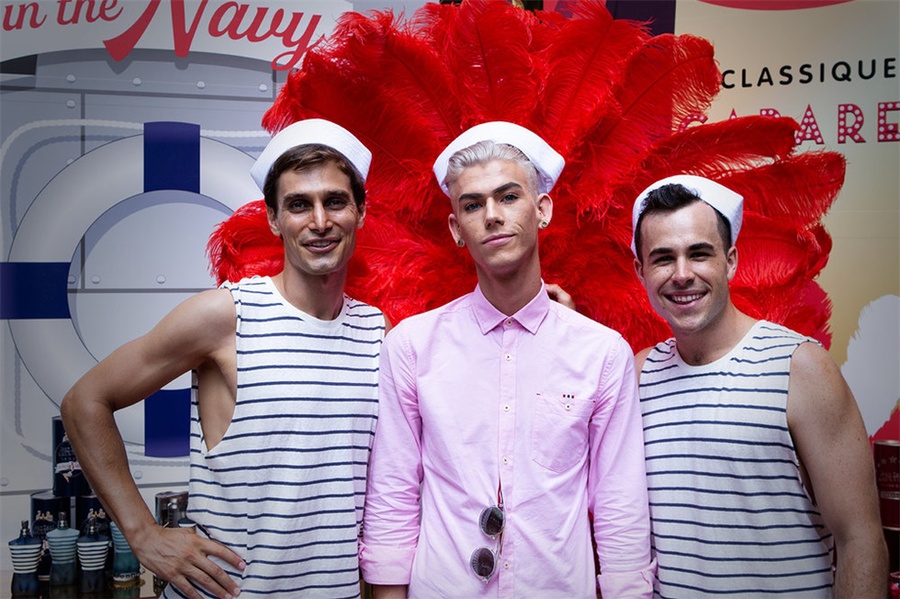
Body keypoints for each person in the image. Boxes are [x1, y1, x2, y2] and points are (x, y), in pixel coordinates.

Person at [61, 119, 388, 599]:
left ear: (360, 211)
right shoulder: (226, 314)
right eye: (299, 204)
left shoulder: (379, 331)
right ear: (274, 219)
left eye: (335, 201)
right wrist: (143, 533)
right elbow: (85, 401)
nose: (319, 222)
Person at [359, 121, 655, 598]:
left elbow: (620, 504)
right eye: (472, 205)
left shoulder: (601, 353)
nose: (492, 216)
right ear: (456, 229)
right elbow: (393, 491)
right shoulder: (412, 346)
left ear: (542, 210)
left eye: (509, 197)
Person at [631, 175, 888, 598]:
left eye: (699, 253)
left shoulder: (801, 368)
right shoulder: (637, 376)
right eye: (662, 259)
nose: (682, 274)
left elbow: (859, 538)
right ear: (640, 271)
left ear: (730, 261)